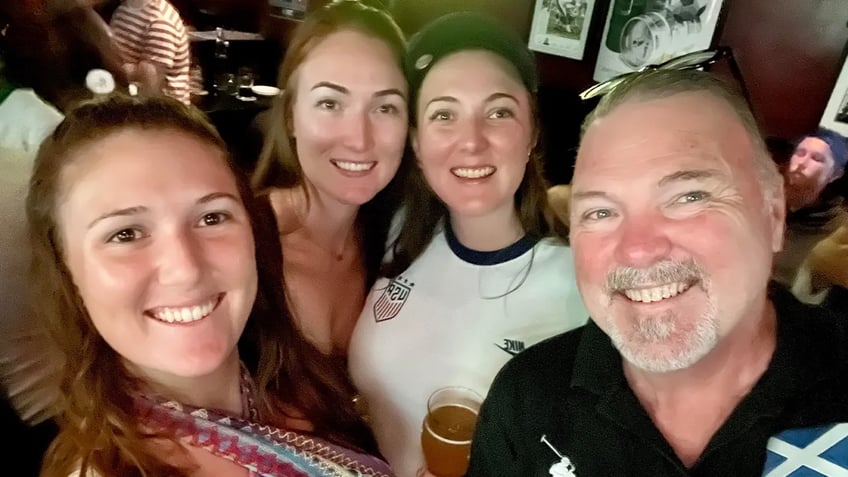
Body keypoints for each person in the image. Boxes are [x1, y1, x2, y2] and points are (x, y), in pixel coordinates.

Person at [467, 70, 848, 476]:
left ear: (772, 214)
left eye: (689, 196)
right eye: (601, 212)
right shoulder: (527, 399)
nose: (637, 249)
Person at [29, 94, 393, 476]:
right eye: (126, 234)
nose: (185, 269)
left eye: (212, 217)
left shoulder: (282, 371)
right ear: (66, 268)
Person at [347, 13, 587, 477]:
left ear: (533, 133)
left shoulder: (578, 287)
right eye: (443, 115)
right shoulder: (396, 231)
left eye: (499, 112)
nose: (472, 142)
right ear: (416, 142)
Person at [250, 0, 410, 356]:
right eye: (330, 104)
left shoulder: (399, 237)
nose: (359, 139)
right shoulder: (247, 246)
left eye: (385, 107)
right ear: (290, 116)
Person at [773, 128, 847, 289]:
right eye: (800, 153)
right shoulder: (763, 196)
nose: (802, 163)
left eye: (817, 158)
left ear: (835, 174)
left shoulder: (837, 226)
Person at [109, 0, 191, 103]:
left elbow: (148, 90)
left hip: (164, 113)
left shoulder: (161, 22)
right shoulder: (124, 8)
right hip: (128, 100)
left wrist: (113, 65)